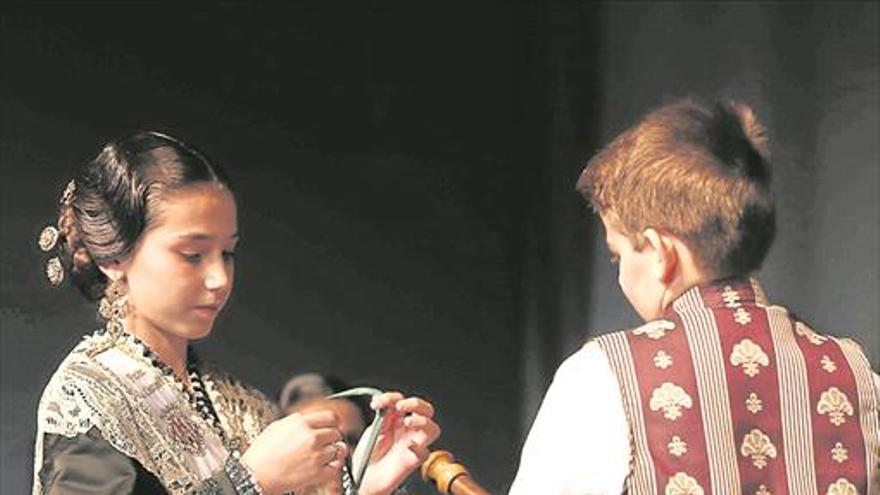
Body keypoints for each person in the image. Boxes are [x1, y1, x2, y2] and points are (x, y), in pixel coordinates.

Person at [32, 131, 440, 495]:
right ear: (115, 258)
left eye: (227, 253)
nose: (219, 279)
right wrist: (249, 482)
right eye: (192, 255)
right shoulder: (87, 399)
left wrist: (368, 485)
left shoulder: (241, 406)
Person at [509, 98, 879, 494]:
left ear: (660, 253)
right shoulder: (859, 376)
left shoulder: (600, 376)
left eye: (618, 256)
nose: (619, 278)